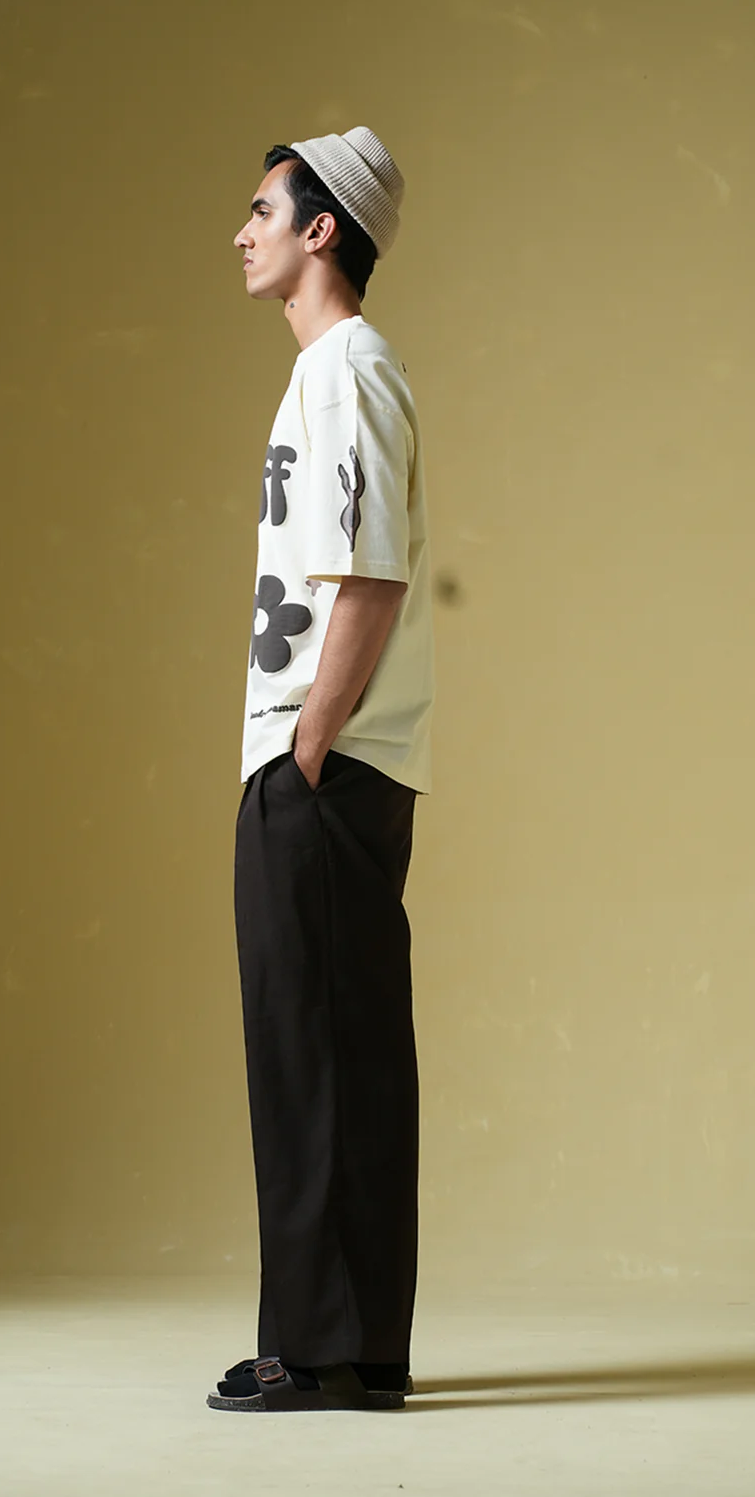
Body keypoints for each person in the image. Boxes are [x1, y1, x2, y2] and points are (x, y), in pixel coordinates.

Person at [207, 126, 434, 1415]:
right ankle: (354, 1346)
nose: (241, 233)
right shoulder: (333, 373)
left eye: (261, 211)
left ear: (319, 230)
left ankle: (323, 1351)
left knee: (314, 1056)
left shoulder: (347, 370)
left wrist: (306, 748)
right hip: (328, 760)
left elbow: (372, 574)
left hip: (325, 763)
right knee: (331, 1050)